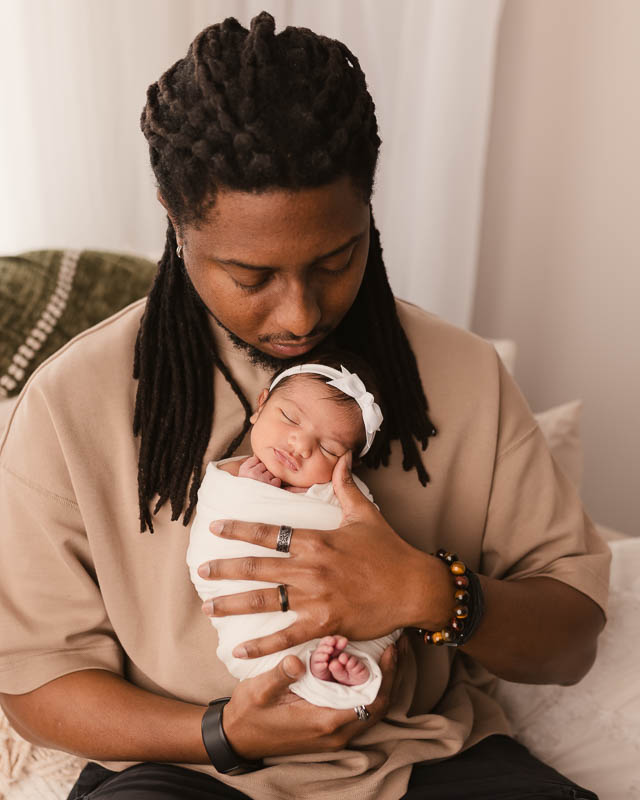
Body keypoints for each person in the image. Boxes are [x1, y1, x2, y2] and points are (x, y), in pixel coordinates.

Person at [0, 12, 609, 800]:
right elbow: (32, 680)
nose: (298, 315)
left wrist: (429, 592)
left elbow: (571, 643)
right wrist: (223, 731)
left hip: (422, 760)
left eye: (336, 259)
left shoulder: (462, 375)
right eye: (250, 277)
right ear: (173, 217)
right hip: (183, 772)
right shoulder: (71, 401)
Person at [187, 354, 400, 709]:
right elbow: (215, 535)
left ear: (347, 463)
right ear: (261, 404)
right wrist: (246, 492)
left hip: (340, 618)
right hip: (256, 623)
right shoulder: (233, 482)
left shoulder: (339, 497)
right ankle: (318, 673)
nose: (299, 446)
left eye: (329, 448)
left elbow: (375, 555)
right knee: (277, 653)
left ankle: (336, 673)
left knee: (374, 628)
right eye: (289, 418)